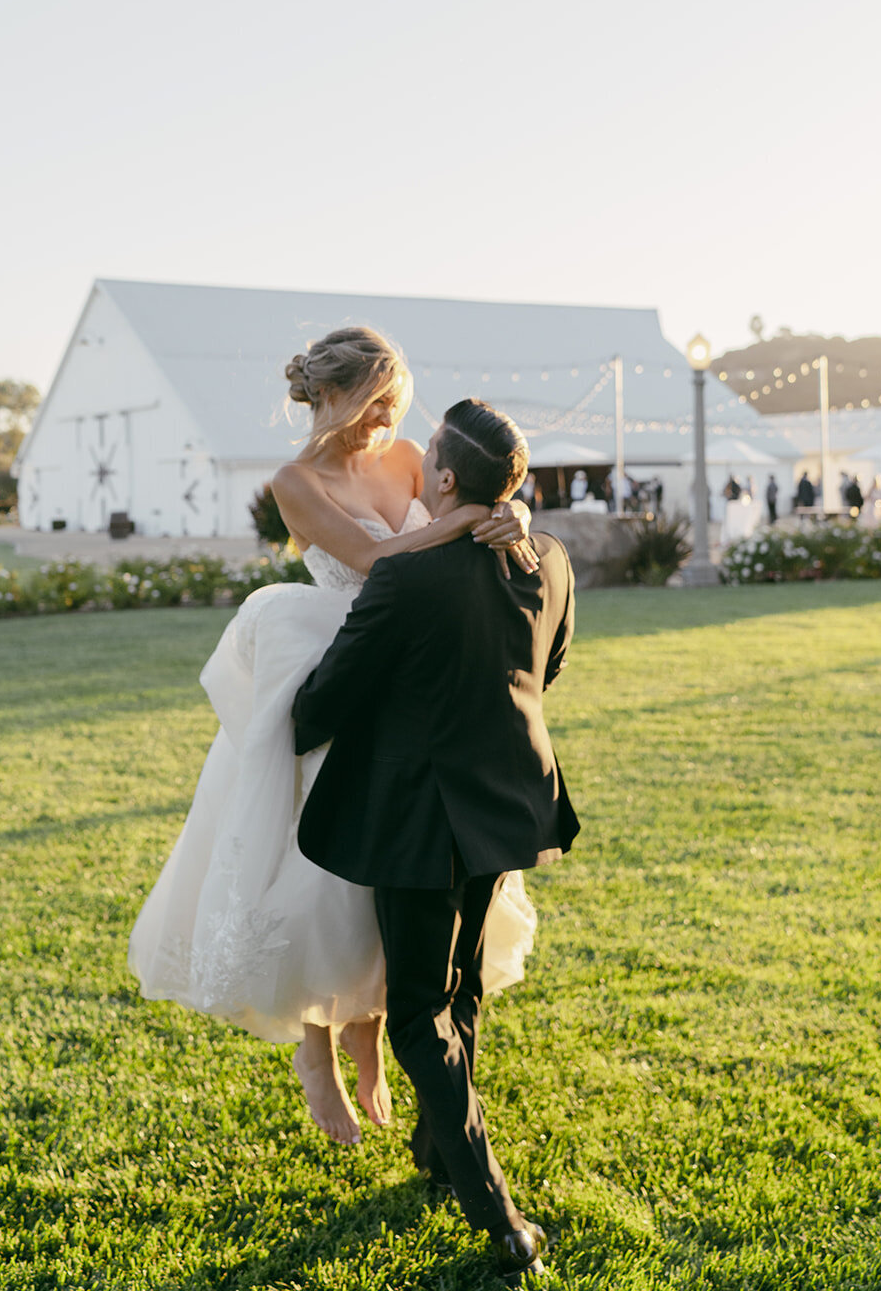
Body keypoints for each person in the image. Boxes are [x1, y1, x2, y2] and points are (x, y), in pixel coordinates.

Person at [128, 328, 538, 1148]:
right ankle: (315, 1050)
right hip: (339, 664)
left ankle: (370, 1033)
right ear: (329, 396)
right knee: (317, 867)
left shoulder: (411, 457)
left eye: (398, 400)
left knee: (396, 875)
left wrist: (509, 509)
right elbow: (381, 562)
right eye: (373, 402)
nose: (388, 418)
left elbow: (468, 500)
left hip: (418, 677)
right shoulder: (295, 480)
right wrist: (474, 520)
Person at [293, 399, 578, 1282]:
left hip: (421, 816)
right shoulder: (552, 561)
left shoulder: (406, 579)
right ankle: (433, 1145)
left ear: (445, 480)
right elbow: (550, 662)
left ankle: (495, 1213)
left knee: (419, 1010)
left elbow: (322, 704)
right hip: (507, 801)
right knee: (459, 996)